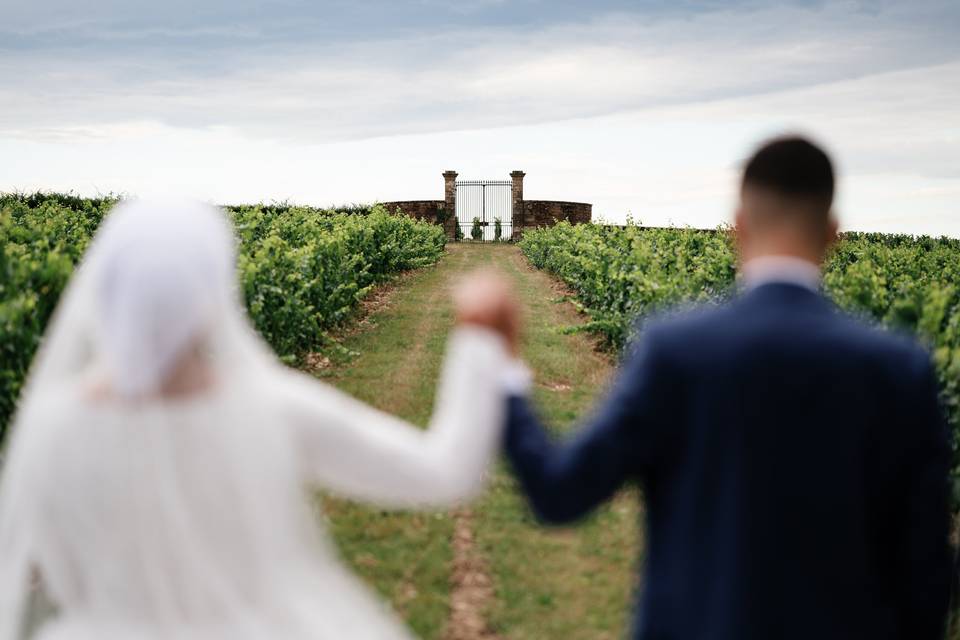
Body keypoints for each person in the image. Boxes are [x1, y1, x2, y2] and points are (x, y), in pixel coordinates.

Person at [494, 136, 952, 639]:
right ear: (832, 233)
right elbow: (925, 576)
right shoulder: (900, 368)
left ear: (738, 227)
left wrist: (505, 369)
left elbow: (559, 491)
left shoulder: (676, 349)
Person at [0, 198, 516, 640]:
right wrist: (481, 340)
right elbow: (444, 471)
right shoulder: (268, 407)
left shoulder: (50, 425)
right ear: (211, 297)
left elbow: (43, 563)